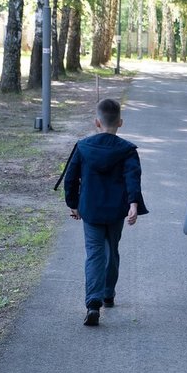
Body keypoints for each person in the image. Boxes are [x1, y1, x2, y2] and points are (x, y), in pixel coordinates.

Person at [64, 98, 148, 326]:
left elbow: (71, 178)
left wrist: (73, 203)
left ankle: (93, 303)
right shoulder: (127, 150)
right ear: (120, 122)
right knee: (112, 249)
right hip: (116, 211)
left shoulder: (83, 147)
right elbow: (133, 178)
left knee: (95, 253)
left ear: (97, 122)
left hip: (90, 209)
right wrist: (133, 204)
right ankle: (108, 294)